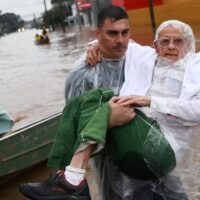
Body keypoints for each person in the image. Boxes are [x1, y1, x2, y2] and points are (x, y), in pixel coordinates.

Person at [19, 8, 200, 200]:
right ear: (156, 45)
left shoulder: (194, 66)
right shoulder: (142, 59)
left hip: (161, 154)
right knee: (91, 101)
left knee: (99, 100)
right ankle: (67, 178)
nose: (171, 46)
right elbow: (73, 126)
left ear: (188, 44)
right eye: (112, 33)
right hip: (122, 162)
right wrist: (96, 47)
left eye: (178, 41)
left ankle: (70, 179)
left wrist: (150, 101)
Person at [19, 5, 134, 200]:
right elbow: (72, 126)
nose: (120, 40)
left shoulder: (140, 59)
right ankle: (68, 182)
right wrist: (108, 119)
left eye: (125, 33)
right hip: (108, 158)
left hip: (148, 153)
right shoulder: (83, 73)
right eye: (112, 33)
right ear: (97, 33)